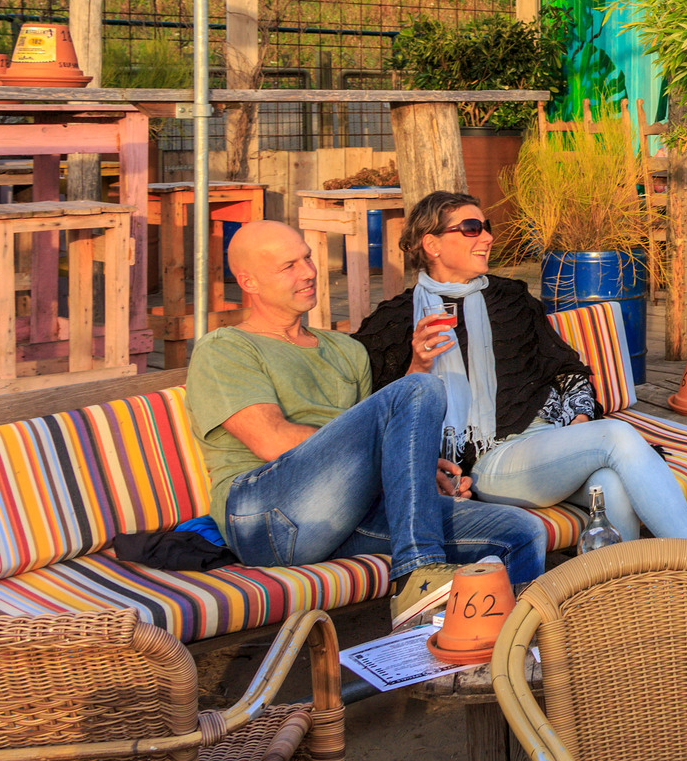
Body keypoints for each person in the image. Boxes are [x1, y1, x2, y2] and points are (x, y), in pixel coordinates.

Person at [350, 191, 687, 636]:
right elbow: (382, 419)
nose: (486, 237)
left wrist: (579, 422)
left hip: (547, 445)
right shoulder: (394, 323)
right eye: (470, 228)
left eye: (486, 227)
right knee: (614, 437)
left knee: (611, 483)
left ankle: (611, 623)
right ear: (431, 243)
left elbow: (567, 368)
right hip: (487, 464)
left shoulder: (511, 300)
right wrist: (419, 366)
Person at [185, 220, 546, 613]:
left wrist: (415, 466)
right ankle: (418, 574)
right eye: (289, 266)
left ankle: (501, 655)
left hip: (341, 514)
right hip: (264, 519)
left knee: (520, 530)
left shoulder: (345, 350)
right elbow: (272, 440)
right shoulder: (225, 348)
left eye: (307, 257)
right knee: (420, 388)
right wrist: (388, 448)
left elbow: (371, 441)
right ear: (249, 281)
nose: (308, 272)